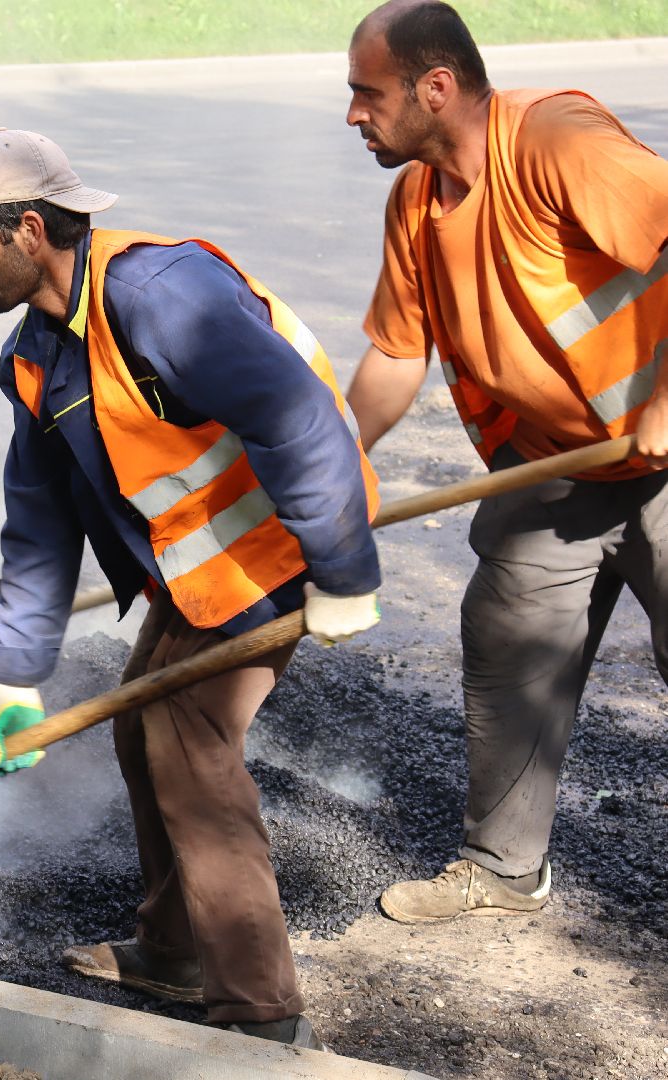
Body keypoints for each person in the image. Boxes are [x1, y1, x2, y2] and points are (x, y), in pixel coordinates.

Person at [0, 129, 383, 1050]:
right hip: (202, 569)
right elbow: (40, 527)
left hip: (284, 540)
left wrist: (343, 570)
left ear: (29, 231)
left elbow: (297, 419)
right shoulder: (36, 356)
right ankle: (176, 952)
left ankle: (262, 1020)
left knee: (188, 747)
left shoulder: (159, 296)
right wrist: (16, 675)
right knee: (142, 731)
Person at [342, 0, 668, 922]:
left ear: (435, 88)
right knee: (507, 640)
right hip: (556, 465)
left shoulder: (556, 142)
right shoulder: (416, 202)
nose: (354, 114)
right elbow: (396, 355)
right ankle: (503, 865)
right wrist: (333, 467)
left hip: (663, 464)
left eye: (367, 93)